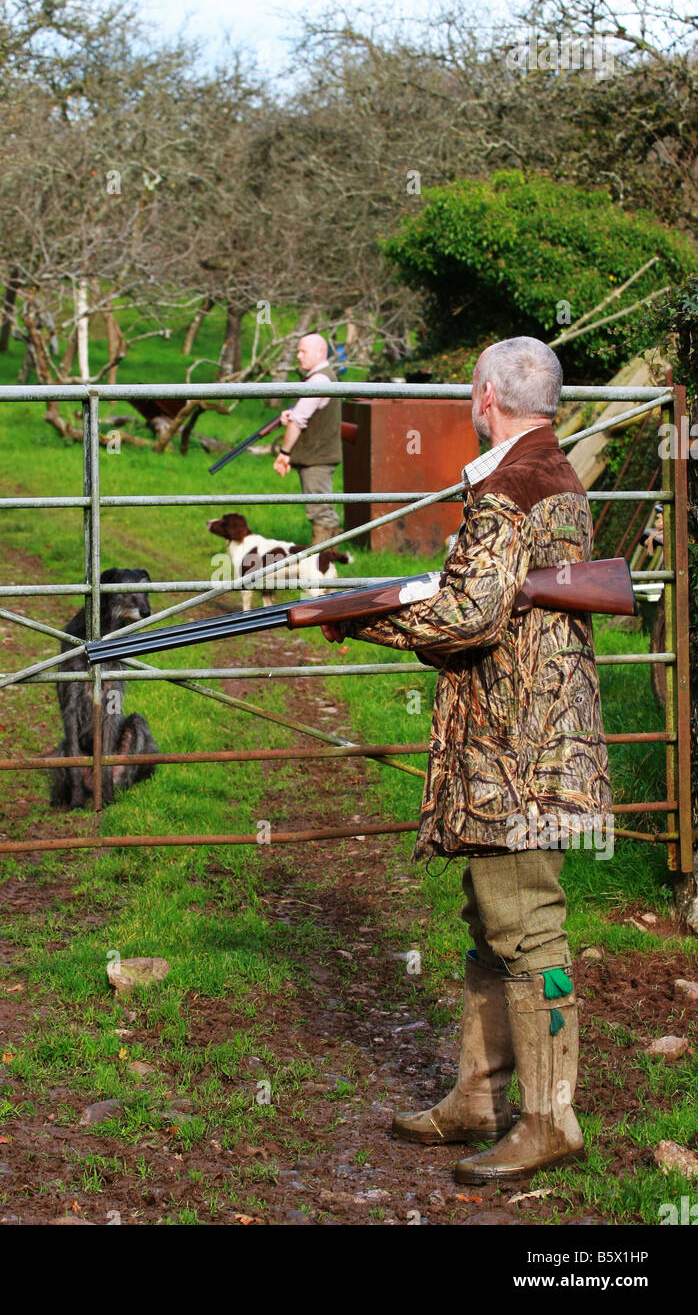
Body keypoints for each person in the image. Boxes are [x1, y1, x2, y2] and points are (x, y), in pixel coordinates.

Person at [322, 336, 612, 1184]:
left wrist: (364, 616)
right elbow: (504, 601)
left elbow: (472, 617)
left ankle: (549, 1120)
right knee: (494, 927)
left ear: (485, 394)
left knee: (527, 932)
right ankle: (476, 1100)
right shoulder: (552, 473)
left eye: (469, 387)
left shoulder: (510, 489)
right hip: (524, 738)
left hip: (519, 754)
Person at [273, 332, 342, 547]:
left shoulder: (320, 379)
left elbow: (299, 420)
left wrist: (284, 453)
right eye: (298, 351)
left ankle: (323, 570)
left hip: (317, 457)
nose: (299, 356)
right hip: (318, 455)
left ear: (320, 352)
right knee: (322, 510)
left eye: (303, 351)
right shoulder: (322, 376)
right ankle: (328, 567)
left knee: (321, 513)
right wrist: (290, 414)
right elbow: (304, 412)